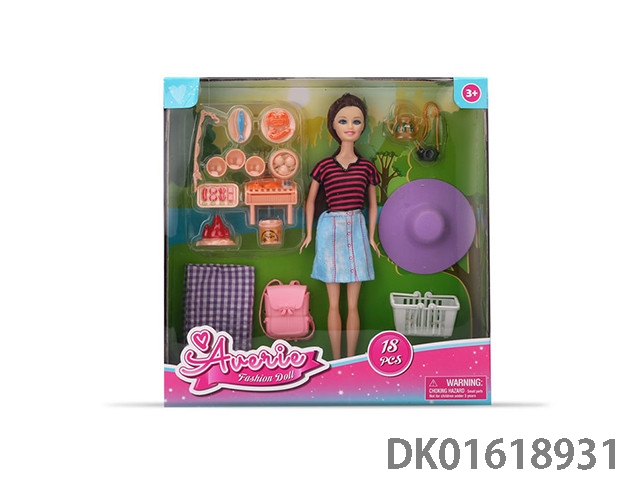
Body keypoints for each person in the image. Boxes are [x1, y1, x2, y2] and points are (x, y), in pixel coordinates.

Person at [300, 93, 381, 359]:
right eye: (343, 120)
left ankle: (351, 359)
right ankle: (336, 360)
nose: (350, 126)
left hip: (356, 229)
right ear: (333, 125)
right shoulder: (324, 166)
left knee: (353, 306)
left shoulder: (367, 167)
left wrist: (371, 237)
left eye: (356, 121)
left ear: (363, 126)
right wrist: (309, 233)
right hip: (330, 231)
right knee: (333, 305)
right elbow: (310, 201)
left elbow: (372, 205)